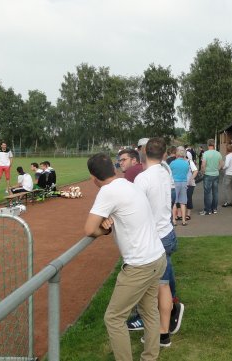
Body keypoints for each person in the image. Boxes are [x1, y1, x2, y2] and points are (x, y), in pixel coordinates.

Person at [84, 153, 167, 361]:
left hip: (140, 264)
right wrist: (106, 220)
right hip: (157, 256)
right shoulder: (129, 184)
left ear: (94, 178)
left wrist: (105, 230)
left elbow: (89, 229)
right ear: (114, 169)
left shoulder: (107, 191)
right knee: (149, 311)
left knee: (113, 318)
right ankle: (150, 357)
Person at [134, 138, 185, 346]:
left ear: (145, 152)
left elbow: (136, 210)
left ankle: (161, 332)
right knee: (163, 284)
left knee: (154, 289)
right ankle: (166, 325)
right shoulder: (165, 172)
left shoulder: (142, 178)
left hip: (154, 238)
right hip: (167, 233)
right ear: (165, 155)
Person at [200, 139, 223, 216]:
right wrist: (217, 169)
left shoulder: (205, 153)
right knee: (215, 192)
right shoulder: (218, 153)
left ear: (208, 145)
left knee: (207, 193)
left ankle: (208, 210)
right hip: (216, 174)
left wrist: (203, 171)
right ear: (214, 144)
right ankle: (214, 209)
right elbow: (221, 164)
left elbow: (203, 165)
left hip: (207, 175)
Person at [169, 147, 190, 226]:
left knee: (174, 202)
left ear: (177, 153)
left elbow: (170, 173)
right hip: (183, 182)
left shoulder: (172, 163)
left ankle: (174, 220)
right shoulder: (186, 163)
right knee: (183, 202)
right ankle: (184, 220)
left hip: (175, 183)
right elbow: (187, 172)